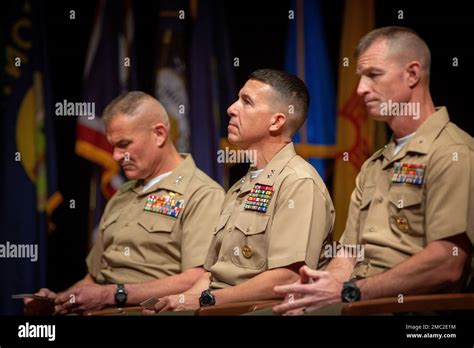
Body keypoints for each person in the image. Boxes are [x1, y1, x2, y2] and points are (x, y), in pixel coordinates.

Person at [273, 26, 474, 315]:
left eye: (374, 75)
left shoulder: (453, 153)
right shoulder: (373, 164)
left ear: (413, 74)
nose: (361, 89)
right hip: (360, 299)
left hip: (416, 311)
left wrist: (351, 291)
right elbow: (348, 253)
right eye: (360, 77)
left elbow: (447, 263)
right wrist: (323, 286)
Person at [149, 69, 335, 313]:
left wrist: (208, 301)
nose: (231, 108)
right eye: (238, 99)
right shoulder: (240, 187)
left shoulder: (298, 183)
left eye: (246, 102)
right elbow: (211, 274)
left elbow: (287, 279)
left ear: (277, 121)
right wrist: (181, 300)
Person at [24, 91, 225, 315]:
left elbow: (198, 278)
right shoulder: (122, 194)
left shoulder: (203, 194)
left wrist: (114, 294)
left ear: (159, 134)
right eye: (113, 147)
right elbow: (94, 278)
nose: (117, 156)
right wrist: (60, 301)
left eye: (124, 144)